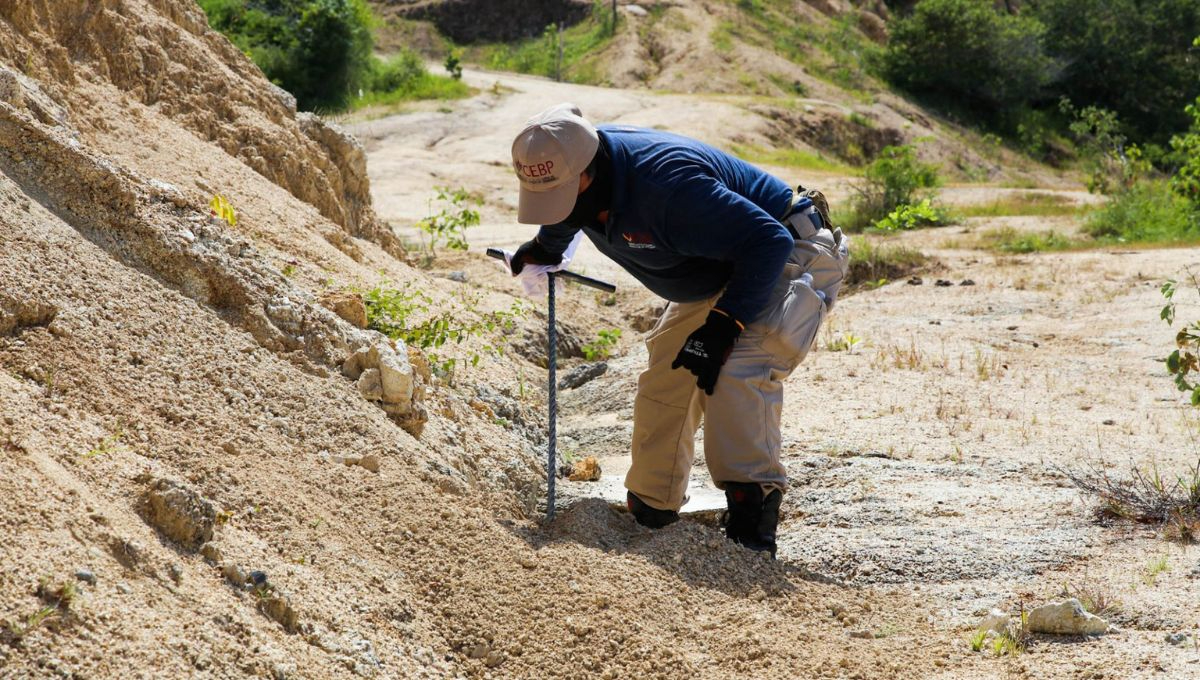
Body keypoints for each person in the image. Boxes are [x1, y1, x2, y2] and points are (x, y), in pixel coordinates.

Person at [509, 103, 848, 557]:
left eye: (565, 193)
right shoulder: (574, 163)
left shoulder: (667, 188)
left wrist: (724, 326)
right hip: (720, 263)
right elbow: (565, 210)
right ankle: (653, 506)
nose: (560, 204)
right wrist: (544, 247)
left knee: (734, 371)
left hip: (785, 252)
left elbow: (768, 242)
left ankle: (752, 520)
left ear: (589, 171)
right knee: (668, 372)